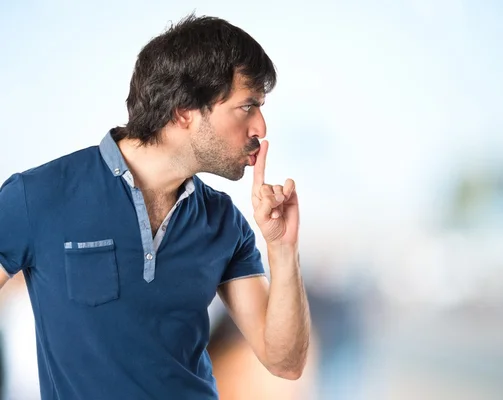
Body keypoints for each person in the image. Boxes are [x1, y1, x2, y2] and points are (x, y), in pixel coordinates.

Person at [0, 14, 311, 400]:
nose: (260, 127)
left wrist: (283, 248)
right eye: (247, 107)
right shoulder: (38, 196)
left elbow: (285, 361)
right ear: (183, 110)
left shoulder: (224, 223)